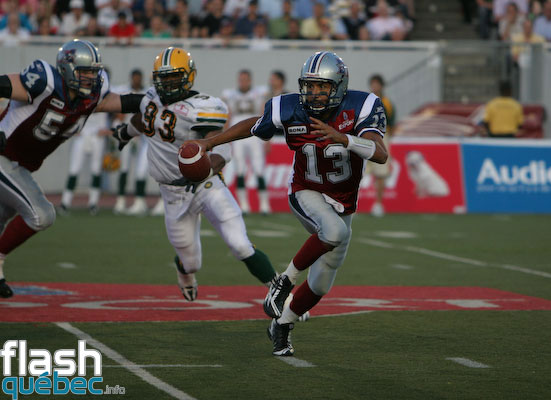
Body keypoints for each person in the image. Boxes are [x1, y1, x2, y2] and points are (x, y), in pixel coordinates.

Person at [190, 51, 388, 356]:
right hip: (305, 191)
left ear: (339, 86)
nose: (314, 93)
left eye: (322, 86)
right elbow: (255, 125)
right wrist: (210, 142)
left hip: (343, 202)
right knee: (335, 232)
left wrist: (343, 138)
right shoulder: (290, 107)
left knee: (321, 285)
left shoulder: (361, 106)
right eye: (310, 86)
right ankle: (284, 282)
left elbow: (380, 153)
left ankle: (282, 324)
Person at [111, 47, 279, 302]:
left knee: (240, 244)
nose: (168, 83)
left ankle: (282, 292)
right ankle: (184, 271)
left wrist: (207, 169)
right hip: (172, 192)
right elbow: (143, 119)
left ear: (189, 76)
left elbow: (220, 146)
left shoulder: (204, 107)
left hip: (206, 184)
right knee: (191, 262)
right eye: (163, 77)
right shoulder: (151, 99)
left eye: (174, 77)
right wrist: (125, 133)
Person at [0, 39, 145, 298]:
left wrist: (157, 102)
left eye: (94, 72)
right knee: (42, 215)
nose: (91, 78)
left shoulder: (92, 97)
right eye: (85, 72)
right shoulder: (45, 82)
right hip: (3, 157)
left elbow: (123, 102)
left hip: (19, 165)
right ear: (67, 69)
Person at [221, 70, 271, 214]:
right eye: (241, 79)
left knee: (259, 168)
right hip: (237, 133)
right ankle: (243, 205)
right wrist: (226, 136)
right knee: (240, 169)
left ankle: (264, 205)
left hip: (255, 133)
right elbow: (229, 115)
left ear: (250, 80)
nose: (243, 82)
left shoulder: (259, 93)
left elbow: (264, 113)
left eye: (245, 79)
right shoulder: (230, 95)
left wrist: (268, 138)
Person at [111, 69, 155, 215]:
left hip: (144, 137)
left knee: (143, 170)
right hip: (131, 134)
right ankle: (122, 200)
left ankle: (142, 201)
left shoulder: (149, 93)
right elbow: (117, 110)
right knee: (125, 168)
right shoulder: (124, 90)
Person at [59, 110, 113, 215]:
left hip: (98, 135)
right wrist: (73, 127)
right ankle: (65, 203)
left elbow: (114, 112)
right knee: (74, 169)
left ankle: (93, 203)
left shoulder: (105, 99)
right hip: (82, 134)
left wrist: (108, 129)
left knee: (96, 170)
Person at [366, 74, 395, 217]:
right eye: (373, 84)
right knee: (358, 171)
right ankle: (352, 205)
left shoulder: (386, 103)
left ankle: (378, 204)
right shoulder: (366, 101)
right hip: (366, 137)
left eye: (377, 84)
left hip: (382, 137)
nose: (374, 86)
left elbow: (391, 123)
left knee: (381, 173)